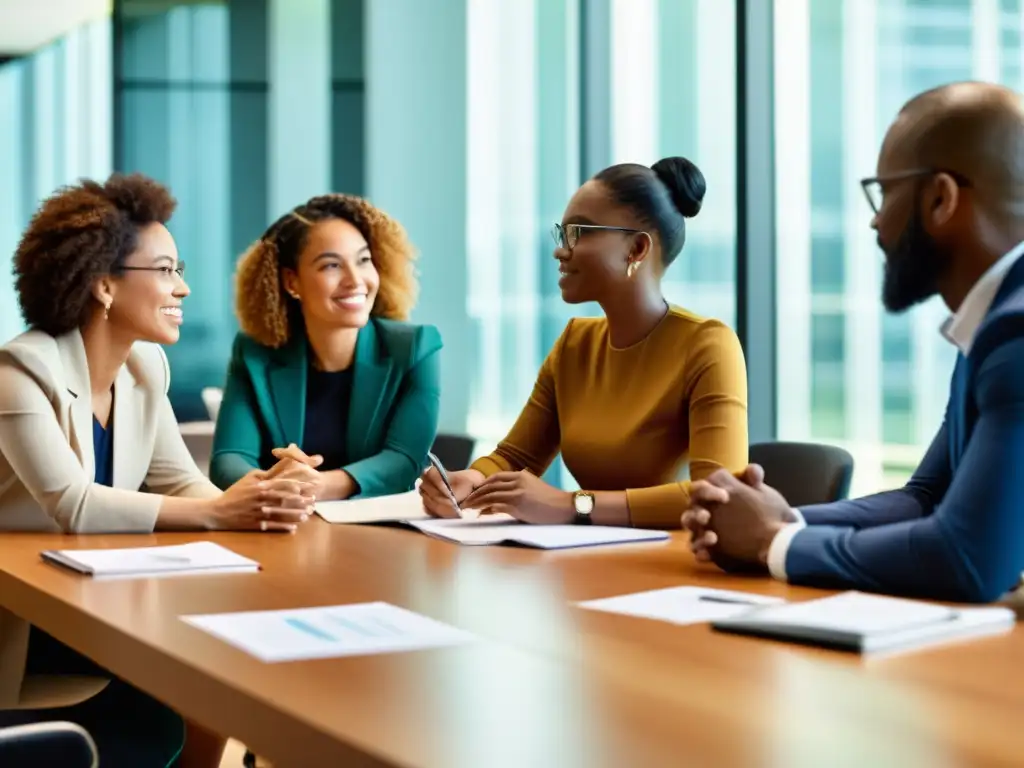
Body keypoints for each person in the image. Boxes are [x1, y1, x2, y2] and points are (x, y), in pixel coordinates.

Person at [0, 173, 314, 767]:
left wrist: (261, 494)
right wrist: (220, 511)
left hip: (96, 605)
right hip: (28, 628)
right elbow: (73, 504)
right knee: (197, 668)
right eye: (166, 270)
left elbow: (178, 482)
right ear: (103, 286)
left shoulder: (145, 369)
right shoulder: (18, 373)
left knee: (215, 663)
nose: (185, 288)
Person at [683, 82, 1024, 603]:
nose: (874, 219)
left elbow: (969, 557)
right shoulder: (988, 324)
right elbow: (927, 499)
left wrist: (774, 541)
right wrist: (777, 518)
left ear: (940, 199)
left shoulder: (1014, 334)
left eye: (884, 193)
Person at [420, 157, 748, 527]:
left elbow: (719, 494)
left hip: (671, 564)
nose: (562, 250)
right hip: (584, 562)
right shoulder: (575, 344)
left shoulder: (708, 345)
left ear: (637, 249)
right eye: (564, 233)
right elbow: (514, 456)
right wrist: (470, 480)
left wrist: (573, 505)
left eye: (581, 232)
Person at [209, 194, 442, 500]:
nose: (355, 280)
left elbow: (403, 461)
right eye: (332, 265)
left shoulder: (417, 347)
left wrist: (311, 485)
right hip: (282, 526)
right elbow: (228, 458)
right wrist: (271, 483)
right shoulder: (255, 352)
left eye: (363, 260)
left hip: (378, 532)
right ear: (292, 282)